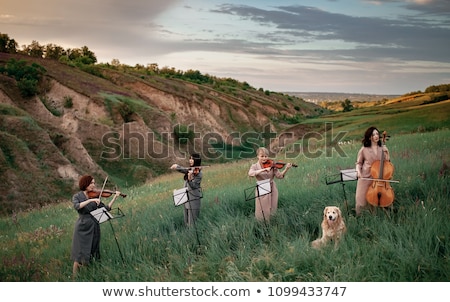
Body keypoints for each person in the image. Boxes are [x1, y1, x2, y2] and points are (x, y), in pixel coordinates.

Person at [70, 175, 121, 277]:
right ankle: (74, 278)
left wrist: (114, 197)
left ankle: (87, 276)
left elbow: (106, 208)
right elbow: (77, 206)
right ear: (85, 184)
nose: (93, 185)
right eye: (91, 183)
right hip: (82, 227)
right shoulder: (77, 196)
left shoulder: (95, 196)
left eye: (94, 183)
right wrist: (90, 200)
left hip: (94, 225)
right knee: (79, 254)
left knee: (92, 251)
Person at [248, 147, 292, 222]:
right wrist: (263, 169)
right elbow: (251, 173)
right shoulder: (254, 166)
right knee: (262, 209)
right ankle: (261, 225)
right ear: (258, 156)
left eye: (266, 156)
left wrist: (286, 169)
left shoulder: (272, 165)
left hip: (272, 187)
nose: (264, 158)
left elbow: (280, 176)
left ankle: (272, 223)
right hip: (262, 187)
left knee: (273, 207)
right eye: (262, 156)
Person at [355, 126, 391, 216]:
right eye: (373, 134)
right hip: (366, 177)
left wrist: (387, 153)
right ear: (369, 137)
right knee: (361, 201)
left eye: (377, 134)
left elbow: (387, 163)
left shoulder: (382, 148)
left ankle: (374, 217)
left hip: (378, 177)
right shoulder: (364, 149)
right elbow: (358, 163)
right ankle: (360, 217)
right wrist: (358, 172)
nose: (376, 136)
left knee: (374, 201)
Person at [170, 153, 203, 226]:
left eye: (192, 159)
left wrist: (190, 178)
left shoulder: (199, 173)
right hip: (186, 200)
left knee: (192, 225)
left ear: (196, 160)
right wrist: (176, 166)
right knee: (186, 223)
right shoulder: (191, 170)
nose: (190, 160)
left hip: (193, 201)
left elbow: (194, 186)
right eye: (190, 158)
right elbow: (184, 170)